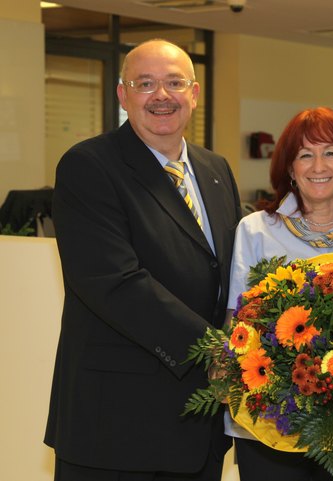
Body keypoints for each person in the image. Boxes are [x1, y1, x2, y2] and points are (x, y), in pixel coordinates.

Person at [44, 39, 242, 481]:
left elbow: (229, 273)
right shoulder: (89, 166)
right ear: (122, 94)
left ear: (193, 93)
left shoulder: (216, 170)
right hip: (116, 428)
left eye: (174, 83)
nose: (161, 96)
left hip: (199, 427)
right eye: (145, 83)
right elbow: (113, 282)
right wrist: (218, 349)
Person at [226, 106, 333, 481]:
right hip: (270, 423)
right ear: (289, 168)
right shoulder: (256, 230)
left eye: (330, 152)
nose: (319, 165)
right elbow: (236, 321)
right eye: (305, 155)